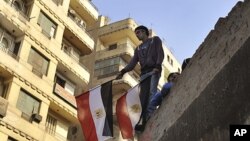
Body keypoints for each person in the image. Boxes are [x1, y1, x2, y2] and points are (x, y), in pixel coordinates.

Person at [116, 25, 164, 130]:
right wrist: (123, 71)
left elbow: (160, 53)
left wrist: (158, 66)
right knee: (143, 97)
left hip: (153, 70)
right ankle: (142, 121)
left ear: (143, 32)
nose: (137, 35)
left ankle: (151, 115)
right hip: (144, 73)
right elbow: (133, 62)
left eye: (137, 33)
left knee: (152, 92)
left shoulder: (154, 40)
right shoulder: (138, 48)